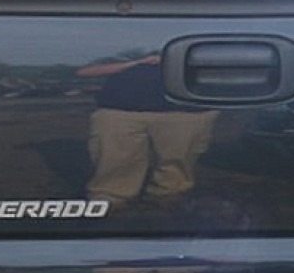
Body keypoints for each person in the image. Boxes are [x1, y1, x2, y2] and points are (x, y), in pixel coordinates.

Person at [77, 53, 218, 208]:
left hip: (186, 112)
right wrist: (138, 62)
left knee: (178, 158)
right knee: (113, 157)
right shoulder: (123, 57)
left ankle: (169, 193)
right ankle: (111, 195)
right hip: (119, 112)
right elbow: (84, 72)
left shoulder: (198, 52)